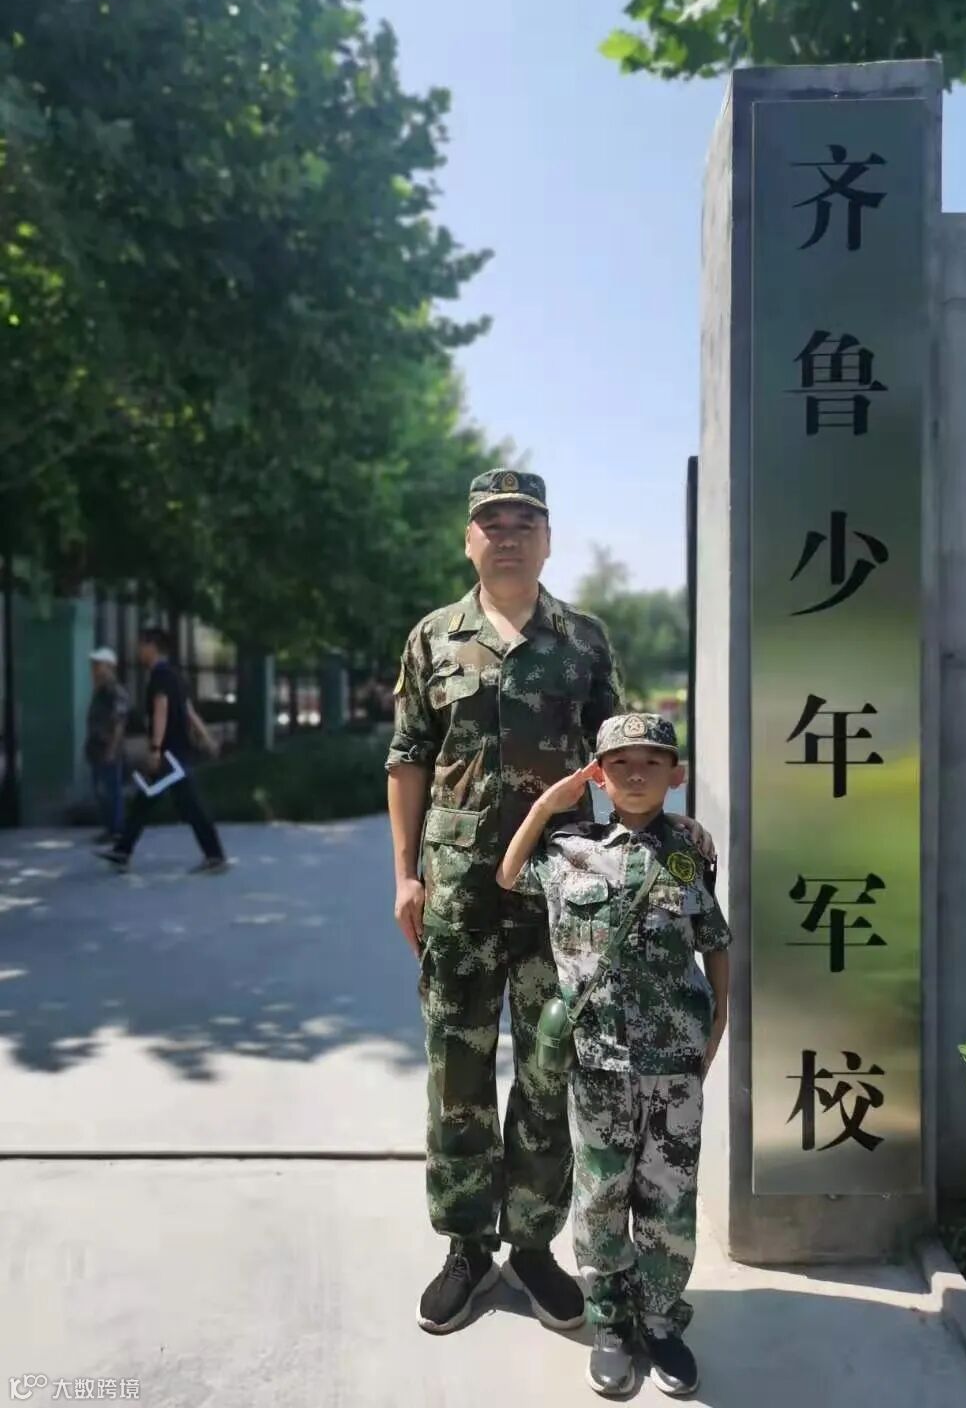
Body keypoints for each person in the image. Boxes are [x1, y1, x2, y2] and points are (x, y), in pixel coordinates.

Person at [386, 467, 625, 1337]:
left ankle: (532, 1244)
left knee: (549, 1069)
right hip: (456, 896)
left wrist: (638, 861)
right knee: (457, 1073)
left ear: (548, 540)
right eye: (493, 522)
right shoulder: (433, 638)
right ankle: (465, 1246)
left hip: (558, 892)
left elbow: (619, 763)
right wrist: (405, 874)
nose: (509, 535)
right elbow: (408, 757)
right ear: (470, 541)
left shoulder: (583, 642)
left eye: (526, 522)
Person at [497, 712, 730, 1398]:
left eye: (651, 762)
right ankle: (610, 1323)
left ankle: (660, 1322)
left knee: (669, 1195)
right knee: (601, 1195)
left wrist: (719, 1021)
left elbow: (713, 939)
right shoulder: (570, 851)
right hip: (597, 1061)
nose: (635, 774)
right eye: (619, 763)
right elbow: (508, 875)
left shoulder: (687, 853)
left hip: (673, 1061)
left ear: (675, 776)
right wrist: (548, 804)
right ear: (598, 776)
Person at [96, 626, 226, 874]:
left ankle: (215, 855)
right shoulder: (175, 676)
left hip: (169, 756)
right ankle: (122, 851)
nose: (138, 650)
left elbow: (161, 708)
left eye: (141, 645)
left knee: (190, 806)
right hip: (175, 756)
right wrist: (207, 739)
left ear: (152, 647)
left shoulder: (160, 676)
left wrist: (156, 748)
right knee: (145, 801)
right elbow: (189, 712)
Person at [84, 647, 130, 845]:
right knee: (101, 792)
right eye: (93, 665)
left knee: (111, 791)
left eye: (98, 665)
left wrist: (112, 749)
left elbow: (119, 722)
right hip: (97, 749)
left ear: (110, 666)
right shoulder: (99, 690)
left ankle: (117, 830)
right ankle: (110, 828)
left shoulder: (115, 691)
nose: (94, 669)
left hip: (108, 749)